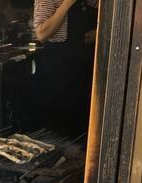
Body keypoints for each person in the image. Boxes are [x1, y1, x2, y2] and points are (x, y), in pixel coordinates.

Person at [33, 0, 98, 141]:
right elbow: (42, 33)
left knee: (83, 130)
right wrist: (67, 4)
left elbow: (108, 12)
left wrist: (98, 32)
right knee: (58, 134)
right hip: (58, 73)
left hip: (84, 71)